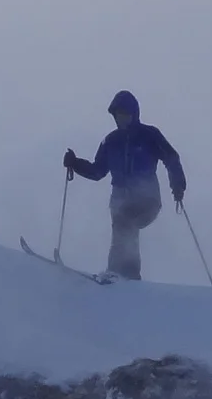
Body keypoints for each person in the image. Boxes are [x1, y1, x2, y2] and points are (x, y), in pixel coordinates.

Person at [64, 91, 186, 281]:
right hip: (120, 199)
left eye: (125, 114)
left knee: (126, 224)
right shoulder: (111, 141)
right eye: (118, 115)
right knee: (121, 230)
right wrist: (75, 163)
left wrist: (177, 185)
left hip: (147, 199)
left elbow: (171, 158)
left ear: (134, 114)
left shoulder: (149, 135)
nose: (122, 118)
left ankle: (126, 275)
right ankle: (118, 275)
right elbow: (97, 171)